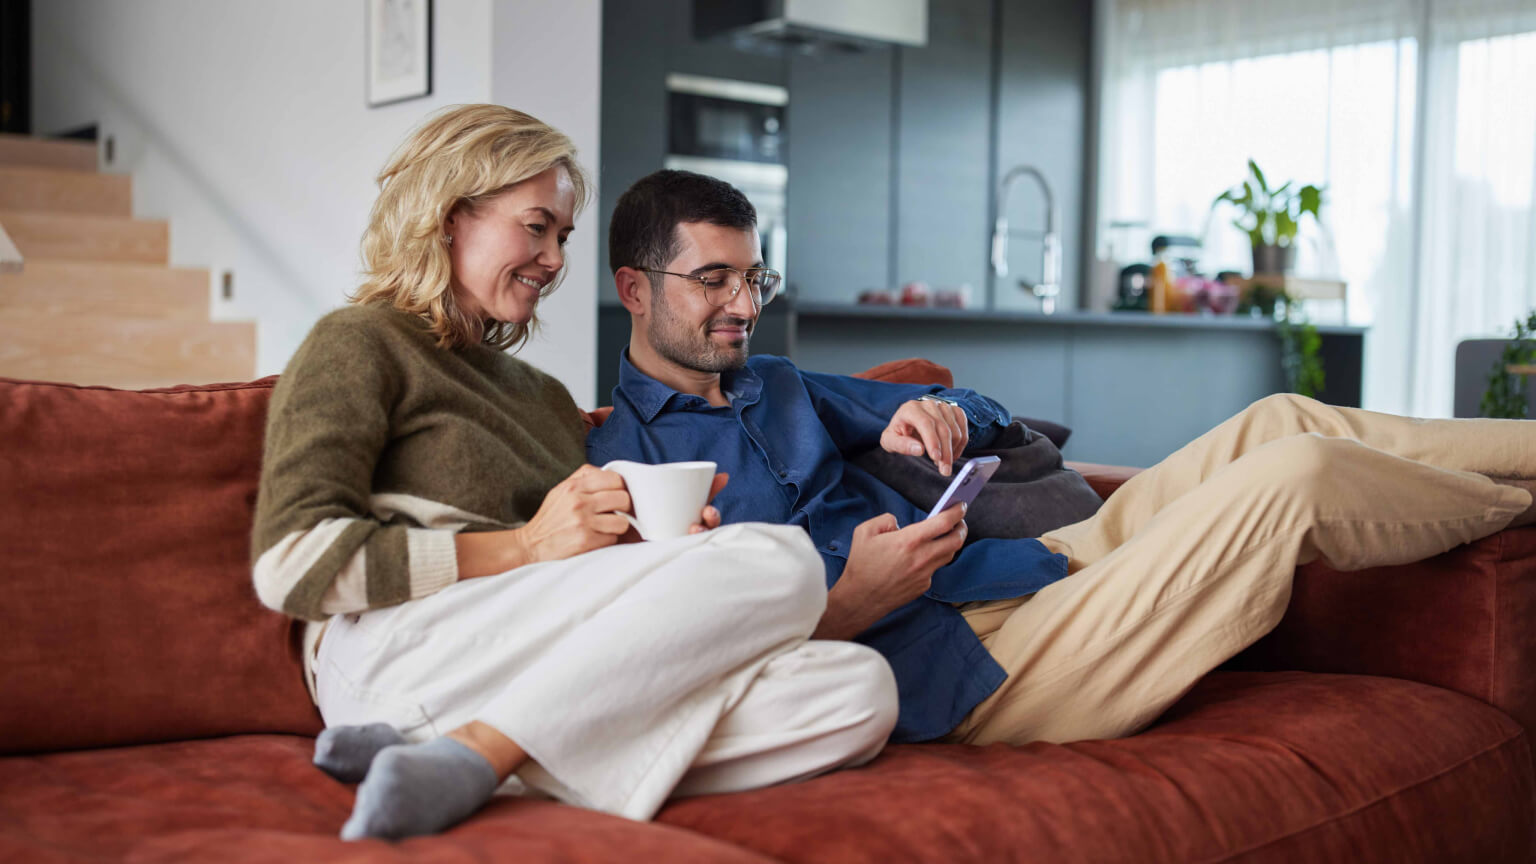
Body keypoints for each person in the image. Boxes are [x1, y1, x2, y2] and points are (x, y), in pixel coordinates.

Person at [587, 168, 1536, 748]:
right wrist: (850, 602)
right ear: (635, 288)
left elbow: (989, 415)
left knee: (1281, 418)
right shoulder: (623, 467)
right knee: (1302, 477)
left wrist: (930, 408)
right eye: (712, 280)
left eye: (753, 278)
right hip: (971, 673)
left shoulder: (780, 382)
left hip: (1032, 574)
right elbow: (692, 660)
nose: (744, 306)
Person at [251, 109, 897, 843]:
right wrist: (523, 547)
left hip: (518, 665)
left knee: (856, 693)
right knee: (784, 560)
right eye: (535, 227)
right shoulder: (361, 343)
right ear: (448, 216)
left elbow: (567, 582)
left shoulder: (545, 399)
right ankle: (479, 754)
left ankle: (457, 754)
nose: (555, 259)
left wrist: (654, 555)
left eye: (562, 235)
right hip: (394, 653)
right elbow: (291, 564)